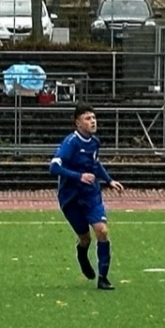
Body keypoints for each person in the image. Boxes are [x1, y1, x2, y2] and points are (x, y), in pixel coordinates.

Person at [48, 106, 125, 290]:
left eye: (94, 118)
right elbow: (53, 167)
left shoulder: (95, 142)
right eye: (88, 118)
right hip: (71, 198)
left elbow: (95, 164)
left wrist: (109, 180)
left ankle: (103, 277)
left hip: (91, 194)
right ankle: (82, 254)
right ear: (78, 123)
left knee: (102, 231)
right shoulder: (70, 143)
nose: (93, 121)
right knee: (85, 238)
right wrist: (78, 176)